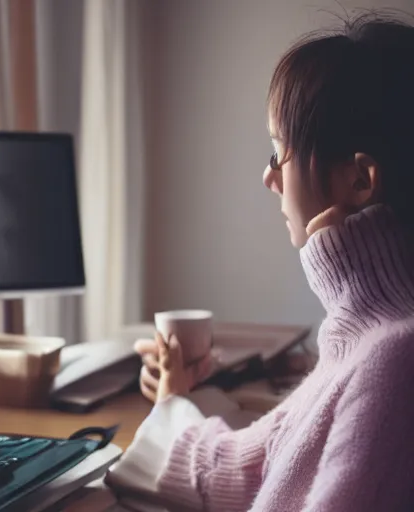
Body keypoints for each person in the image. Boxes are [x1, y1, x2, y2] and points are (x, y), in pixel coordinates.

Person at [131, 12, 414, 512]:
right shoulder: (361, 337)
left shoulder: (395, 357)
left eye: (278, 152)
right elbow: (254, 467)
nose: (269, 178)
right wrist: (174, 402)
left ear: (360, 181)